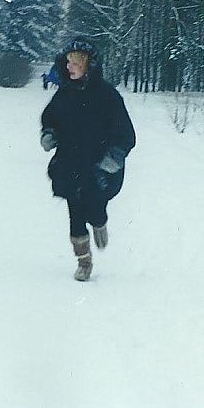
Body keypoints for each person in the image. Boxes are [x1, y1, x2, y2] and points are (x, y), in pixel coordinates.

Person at [40, 36, 136, 282]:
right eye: (68, 62)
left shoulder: (107, 96)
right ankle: (84, 262)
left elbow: (125, 133)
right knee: (75, 213)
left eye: (75, 63)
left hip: (98, 167)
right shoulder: (64, 93)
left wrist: (114, 158)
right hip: (70, 163)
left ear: (88, 65)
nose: (69, 67)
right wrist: (49, 133)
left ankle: (99, 221)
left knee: (93, 208)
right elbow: (50, 117)